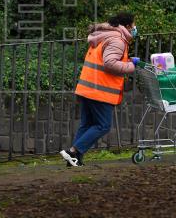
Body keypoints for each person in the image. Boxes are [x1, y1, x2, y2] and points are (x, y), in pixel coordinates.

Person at [60, 12, 140, 167]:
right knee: (103, 125)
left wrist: (127, 60)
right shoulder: (117, 40)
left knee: (87, 123)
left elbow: (106, 59)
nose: (135, 28)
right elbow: (110, 63)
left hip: (88, 87)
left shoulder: (103, 36)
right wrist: (132, 66)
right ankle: (72, 151)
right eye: (134, 25)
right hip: (101, 90)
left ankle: (75, 159)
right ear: (128, 26)